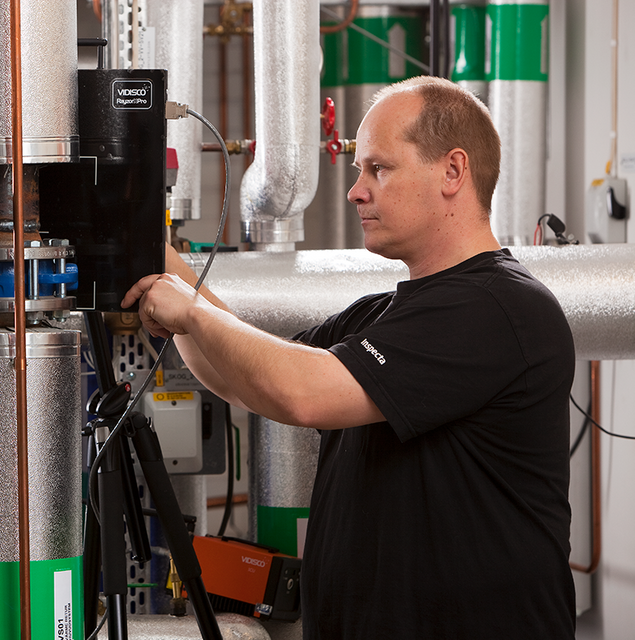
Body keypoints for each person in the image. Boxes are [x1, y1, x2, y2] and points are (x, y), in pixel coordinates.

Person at [121, 76, 576, 638]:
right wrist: (152, 251)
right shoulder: (380, 314)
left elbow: (299, 392)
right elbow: (247, 379)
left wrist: (188, 310)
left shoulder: (499, 308)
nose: (356, 191)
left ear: (453, 172)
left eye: (378, 169)